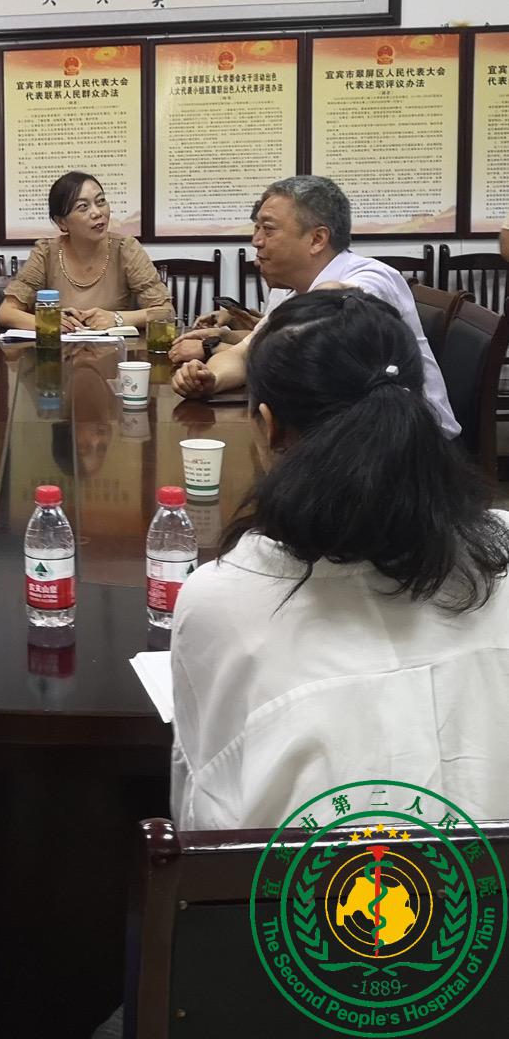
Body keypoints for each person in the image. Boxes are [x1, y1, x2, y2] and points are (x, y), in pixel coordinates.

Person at [171, 289, 509, 830]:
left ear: (267, 425)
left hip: (296, 887)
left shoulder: (225, 597)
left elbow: (202, 813)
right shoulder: (502, 548)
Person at [171, 176, 460, 438]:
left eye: (268, 229)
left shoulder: (371, 278)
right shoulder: (291, 290)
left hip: (407, 444)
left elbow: (339, 303)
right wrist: (210, 379)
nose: (256, 241)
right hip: (337, 433)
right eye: (256, 228)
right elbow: (244, 353)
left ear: (317, 239)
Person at [0, 172, 172, 333]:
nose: (97, 212)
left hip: (114, 353)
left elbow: (166, 312)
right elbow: (5, 313)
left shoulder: (126, 249)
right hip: (60, 353)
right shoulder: (46, 253)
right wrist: (49, 322)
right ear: (62, 222)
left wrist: (117, 319)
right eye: (83, 207)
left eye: (101, 201)